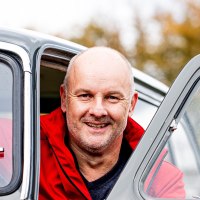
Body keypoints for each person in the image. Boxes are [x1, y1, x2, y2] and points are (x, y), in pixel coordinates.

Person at [39, 47, 185, 200]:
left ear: (131, 105)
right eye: (85, 95)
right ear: (64, 99)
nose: (98, 111)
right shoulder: (24, 147)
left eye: (112, 98)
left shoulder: (160, 181)